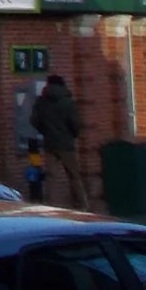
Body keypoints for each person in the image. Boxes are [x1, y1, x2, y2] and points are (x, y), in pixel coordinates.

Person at [32, 73, 90, 209]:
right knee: (74, 175)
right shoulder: (68, 102)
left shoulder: (41, 101)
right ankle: (82, 205)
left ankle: (51, 205)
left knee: (51, 176)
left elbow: (34, 120)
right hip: (66, 143)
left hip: (50, 143)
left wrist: (44, 130)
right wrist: (74, 134)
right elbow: (74, 123)